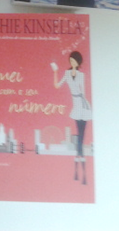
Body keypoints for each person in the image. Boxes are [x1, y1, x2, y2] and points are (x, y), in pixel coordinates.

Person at [52, 51, 92, 184]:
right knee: (79, 136)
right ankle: (80, 168)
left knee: (81, 136)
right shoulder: (67, 74)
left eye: (74, 61)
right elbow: (57, 85)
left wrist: (86, 107)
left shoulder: (81, 75)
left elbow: (83, 92)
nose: (72, 63)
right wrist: (55, 71)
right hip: (76, 105)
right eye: (71, 61)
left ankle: (79, 167)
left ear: (78, 62)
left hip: (83, 105)